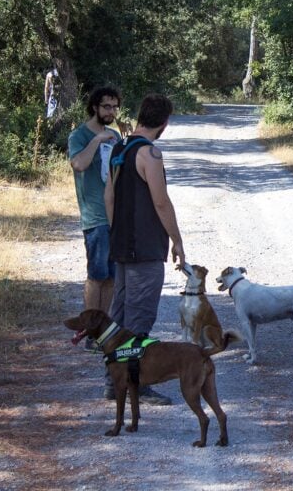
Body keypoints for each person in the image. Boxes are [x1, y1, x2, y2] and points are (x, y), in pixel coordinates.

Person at [103, 93, 185, 405]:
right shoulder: (150, 154)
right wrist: (176, 239)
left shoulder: (119, 148)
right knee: (138, 318)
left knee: (119, 315)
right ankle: (135, 382)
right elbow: (160, 201)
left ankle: (113, 381)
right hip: (145, 248)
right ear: (164, 123)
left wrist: (116, 232)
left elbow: (109, 197)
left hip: (121, 245)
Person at [67, 86, 122, 351]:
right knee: (96, 275)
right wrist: (97, 140)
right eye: (106, 107)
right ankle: (89, 331)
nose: (111, 111)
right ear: (94, 108)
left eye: (114, 107)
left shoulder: (114, 135)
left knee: (112, 276)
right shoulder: (80, 135)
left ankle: (103, 331)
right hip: (95, 216)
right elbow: (78, 164)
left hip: (115, 216)